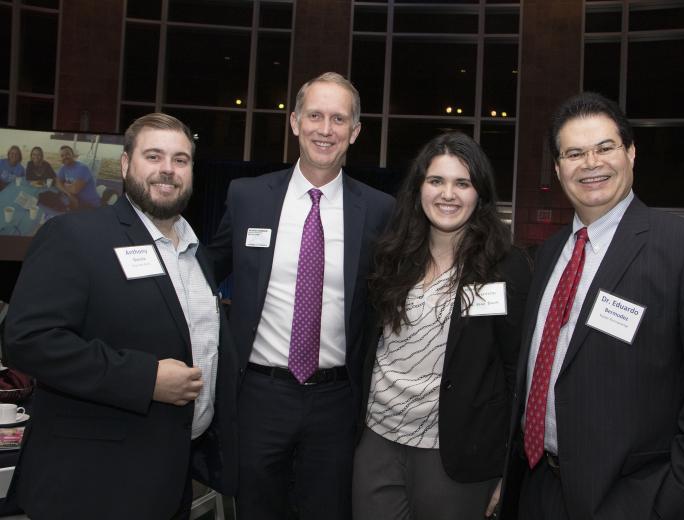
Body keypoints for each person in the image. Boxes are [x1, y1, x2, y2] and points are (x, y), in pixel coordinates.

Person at [499, 92, 684, 520]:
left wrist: (673, 503)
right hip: (539, 487)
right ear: (559, 169)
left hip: (633, 498)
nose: (591, 163)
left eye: (605, 147)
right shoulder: (548, 253)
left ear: (631, 153)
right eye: (574, 153)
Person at [3, 113, 238, 519]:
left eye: (181, 160)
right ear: (127, 164)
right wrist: (144, 379)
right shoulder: (76, 236)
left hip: (170, 479)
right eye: (154, 156)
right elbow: (27, 340)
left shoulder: (199, 256)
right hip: (91, 486)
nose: (168, 169)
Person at [208, 71, 394, 520]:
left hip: (336, 401)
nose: (325, 130)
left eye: (338, 119)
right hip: (258, 395)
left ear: (355, 132)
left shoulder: (379, 210)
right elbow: (203, 271)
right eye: (314, 115)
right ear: (294, 122)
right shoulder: (248, 196)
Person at [352, 132, 531, 520]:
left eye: (462, 183)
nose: (447, 194)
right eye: (436, 181)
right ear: (419, 189)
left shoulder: (506, 267)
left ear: (479, 194)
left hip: (457, 451)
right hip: (378, 441)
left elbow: (517, 370)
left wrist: (508, 468)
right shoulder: (390, 256)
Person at [55, 144, 101, 209]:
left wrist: (65, 185)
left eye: (67, 154)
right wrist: (69, 194)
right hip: (76, 201)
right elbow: (57, 183)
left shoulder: (82, 168)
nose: (65, 157)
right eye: (62, 156)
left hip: (91, 205)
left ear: (73, 155)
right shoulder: (64, 168)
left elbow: (75, 190)